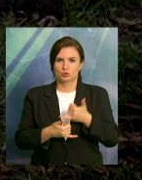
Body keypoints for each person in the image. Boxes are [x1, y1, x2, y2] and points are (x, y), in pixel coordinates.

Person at [14, 36, 119, 165]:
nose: (65, 66)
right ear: (52, 64)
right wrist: (49, 132)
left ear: (81, 64)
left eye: (72, 60)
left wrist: (87, 119)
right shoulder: (35, 95)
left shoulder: (98, 94)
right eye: (59, 60)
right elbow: (21, 140)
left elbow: (112, 138)